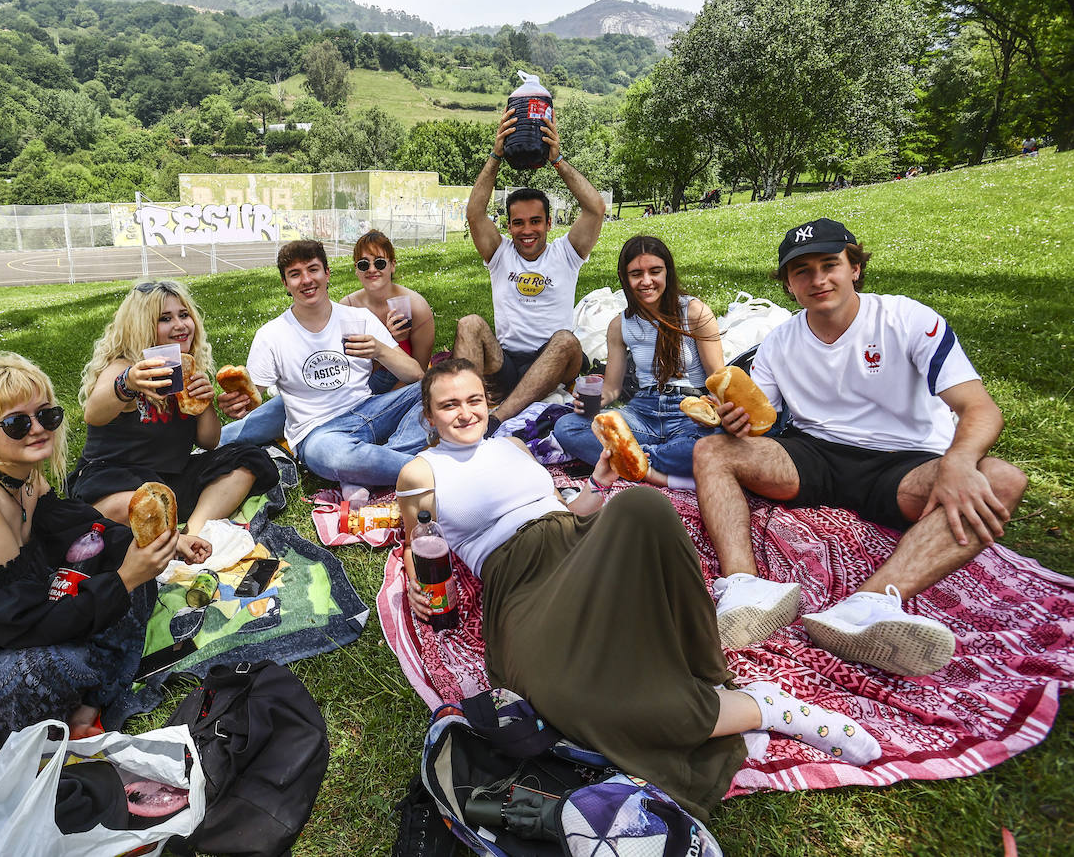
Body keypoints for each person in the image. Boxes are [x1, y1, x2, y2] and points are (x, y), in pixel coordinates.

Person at [395, 359, 881, 823]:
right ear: (429, 415)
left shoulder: (513, 447)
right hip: (517, 578)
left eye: (474, 400)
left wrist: (599, 482)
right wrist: (425, 590)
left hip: (575, 543)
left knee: (643, 505)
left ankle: (704, 671)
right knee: (556, 697)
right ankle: (764, 707)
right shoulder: (421, 472)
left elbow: (571, 512)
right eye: (449, 405)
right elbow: (419, 543)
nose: (465, 413)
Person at [693, 218, 1028, 675]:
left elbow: (980, 409)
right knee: (711, 451)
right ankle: (745, 588)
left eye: (830, 264)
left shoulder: (905, 318)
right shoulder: (779, 342)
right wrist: (734, 423)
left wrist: (960, 460)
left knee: (1003, 479)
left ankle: (864, 608)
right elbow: (758, 425)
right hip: (816, 455)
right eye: (802, 271)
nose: (818, 279)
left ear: (855, 267)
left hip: (905, 464)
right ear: (788, 284)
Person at [0, 352, 210, 776]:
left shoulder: (23, 476)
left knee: (133, 575)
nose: (37, 430)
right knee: (63, 663)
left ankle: (86, 707)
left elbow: (78, 531)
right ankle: (86, 699)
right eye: (17, 423)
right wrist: (123, 579)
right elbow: (27, 628)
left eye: (47, 415)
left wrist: (165, 544)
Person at [67, 279, 279, 537]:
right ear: (142, 326)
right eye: (165, 318)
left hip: (169, 479)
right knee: (136, 505)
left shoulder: (188, 370)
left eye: (184, 315)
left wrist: (206, 403)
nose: (180, 325)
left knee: (246, 459)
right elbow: (94, 413)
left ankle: (193, 533)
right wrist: (128, 382)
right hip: (113, 480)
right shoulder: (125, 367)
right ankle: (169, 537)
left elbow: (210, 441)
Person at [219, 239, 427, 487]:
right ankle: (422, 470)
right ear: (285, 284)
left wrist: (379, 349)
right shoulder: (271, 335)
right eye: (295, 274)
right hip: (319, 432)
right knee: (333, 456)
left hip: (370, 409)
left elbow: (416, 374)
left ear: (327, 274)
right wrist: (236, 404)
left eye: (313, 269)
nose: (306, 280)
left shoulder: (358, 318)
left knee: (436, 387)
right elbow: (251, 399)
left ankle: (383, 462)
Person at [456, 109, 605, 431]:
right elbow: (474, 212)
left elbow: (595, 208)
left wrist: (558, 160)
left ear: (549, 223)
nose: (527, 230)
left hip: (553, 362)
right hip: (506, 361)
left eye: (535, 221)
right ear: (508, 226)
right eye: (518, 223)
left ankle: (496, 418)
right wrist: (496, 155)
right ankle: (460, 407)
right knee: (469, 323)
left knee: (567, 340)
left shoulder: (567, 253)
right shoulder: (500, 253)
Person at [552, 235, 723, 488]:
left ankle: (633, 461)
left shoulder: (693, 311)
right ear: (624, 277)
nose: (646, 281)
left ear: (668, 272)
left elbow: (717, 377)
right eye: (636, 274)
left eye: (655, 271)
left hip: (690, 411)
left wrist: (717, 408)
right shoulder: (620, 325)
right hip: (643, 412)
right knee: (567, 427)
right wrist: (593, 399)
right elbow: (612, 389)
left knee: (715, 444)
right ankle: (656, 468)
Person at [340, 229, 437, 393]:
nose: (371, 269)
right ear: (356, 269)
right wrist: (389, 340)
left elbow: (419, 375)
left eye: (379, 263)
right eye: (364, 264)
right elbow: (349, 370)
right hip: (358, 387)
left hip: (403, 387)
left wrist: (384, 405)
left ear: (392, 265)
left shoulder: (416, 307)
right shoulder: (348, 307)